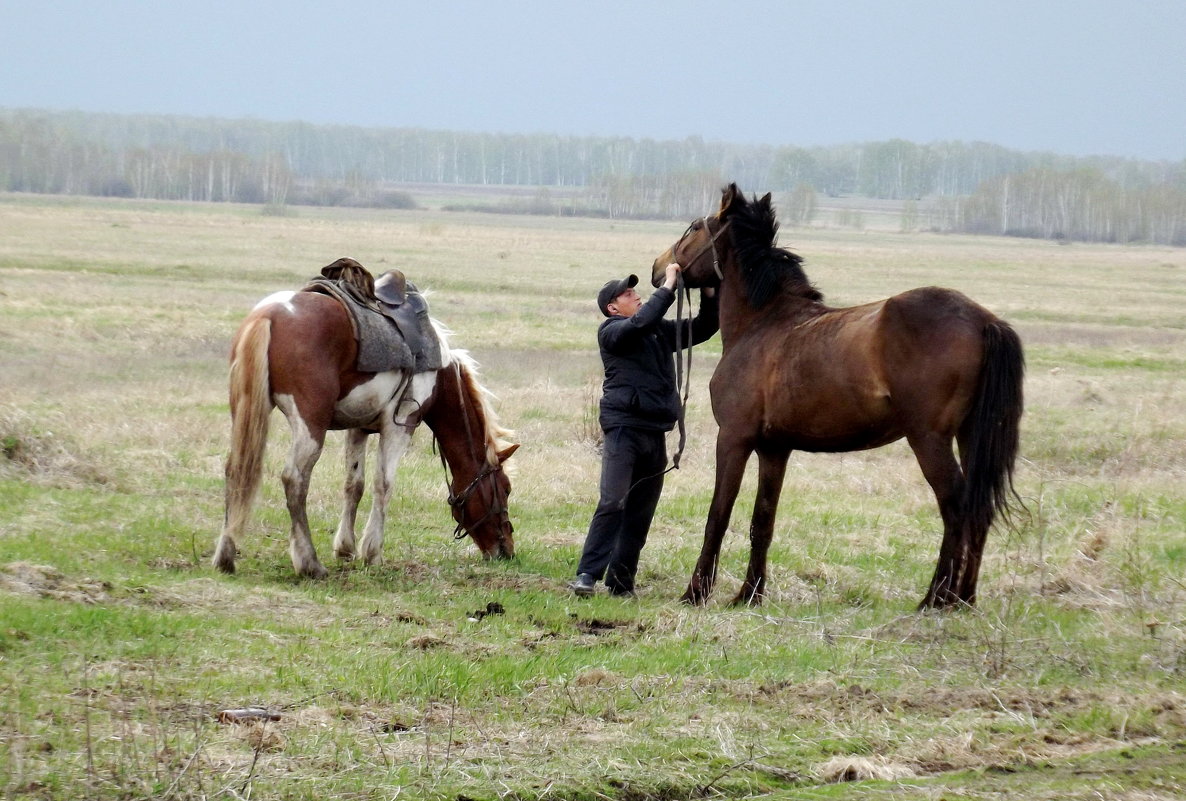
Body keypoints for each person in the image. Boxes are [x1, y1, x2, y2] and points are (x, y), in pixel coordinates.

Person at [570, 263, 718, 597]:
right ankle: (587, 575)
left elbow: (706, 326)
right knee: (613, 501)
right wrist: (667, 287)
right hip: (624, 429)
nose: (635, 296)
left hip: (654, 432)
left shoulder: (657, 332)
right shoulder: (611, 331)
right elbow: (640, 322)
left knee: (640, 513)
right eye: (628, 293)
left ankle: (621, 583)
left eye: (635, 292)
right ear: (612, 308)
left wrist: (708, 290)